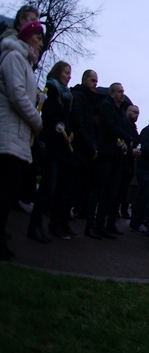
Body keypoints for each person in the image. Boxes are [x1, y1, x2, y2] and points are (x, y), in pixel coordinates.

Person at [0, 20, 45, 258]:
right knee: (4, 190)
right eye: (37, 37)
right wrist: (37, 122)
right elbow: (17, 95)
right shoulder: (14, 58)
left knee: (10, 190)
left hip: (18, 136)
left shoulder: (26, 63)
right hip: (9, 133)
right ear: (26, 37)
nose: (40, 43)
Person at [31, 61, 75, 242]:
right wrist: (62, 128)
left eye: (70, 73)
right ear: (58, 73)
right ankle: (34, 225)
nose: (69, 76)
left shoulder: (67, 95)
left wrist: (70, 131)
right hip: (52, 144)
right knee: (48, 186)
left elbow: (66, 116)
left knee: (52, 186)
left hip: (61, 146)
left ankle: (37, 225)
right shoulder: (51, 89)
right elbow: (49, 114)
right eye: (66, 73)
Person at [89, 82, 136, 239]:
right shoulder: (107, 107)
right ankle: (90, 225)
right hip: (106, 154)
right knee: (99, 191)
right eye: (119, 91)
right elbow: (110, 126)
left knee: (109, 193)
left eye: (123, 91)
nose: (122, 94)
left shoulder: (119, 110)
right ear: (112, 93)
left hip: (116, 157)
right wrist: (125, 137)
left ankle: (101, 225)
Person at [69, 70, 99, 226]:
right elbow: (79, 123)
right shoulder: (79, 96)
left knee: (75, 187)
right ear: (84, 79)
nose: (95, 84)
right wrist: (90, 145)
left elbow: (90, 127)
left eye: (96, 82)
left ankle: (64, 221)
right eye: (93, 81)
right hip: (76, 149)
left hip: (84, 149)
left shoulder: (88, 100)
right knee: (69, 187)